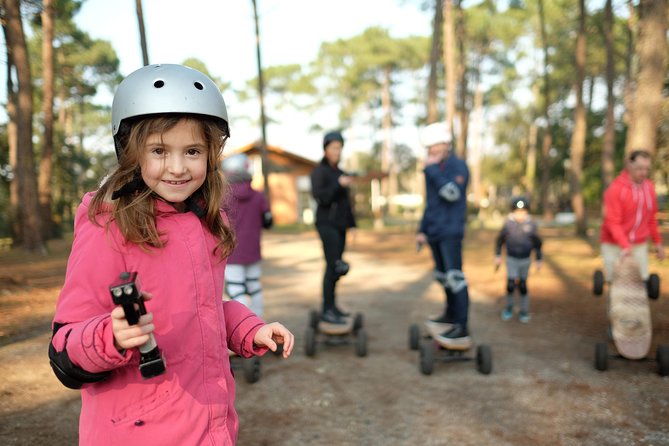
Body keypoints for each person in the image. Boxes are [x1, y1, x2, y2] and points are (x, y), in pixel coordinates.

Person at [47, 64, 294, 446]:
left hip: (209, 425)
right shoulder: (108, 224)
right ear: (131, 152)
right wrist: (111, 336)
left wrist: (249, 329)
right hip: (137, 432)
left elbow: (205, 307)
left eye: (192, 150)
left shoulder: (207, 221)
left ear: (212, 154)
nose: (178, 167)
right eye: (160, 150)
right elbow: (65, 346)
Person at [415, 122, 471, 347]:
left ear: (446, 144)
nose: (431, 152)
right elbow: (431, 204)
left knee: (455, 278)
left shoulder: (457, 166)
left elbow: (452, 193)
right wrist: (422, 230)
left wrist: (431, 171)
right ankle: (449, 315)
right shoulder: (434, 168)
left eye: (434, 147)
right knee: (442, 276)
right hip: (435, 231)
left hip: (451, 231)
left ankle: (462, 326)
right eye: (428, 148)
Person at [310, 130, 356, 325]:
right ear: (326, 149)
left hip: (340, 225)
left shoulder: (340, 172)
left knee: (336, 267)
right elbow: (322, 197)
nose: (337, 152)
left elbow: (346, 203)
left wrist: (352, 226)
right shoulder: (319, 172)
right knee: (333, 266)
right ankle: (327, 310)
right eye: (334, 148)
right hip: (326, 224)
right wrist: (338, 184)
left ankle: (333, 307)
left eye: (340, 148)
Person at [600, 149, 665, 286]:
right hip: (614, 244)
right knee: (616, 283)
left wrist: (658, 243)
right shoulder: (616, 189)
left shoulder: (649, 188)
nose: (644, 173)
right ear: (629, 165)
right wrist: (625, 245)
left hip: (639, 244)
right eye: (640, 168)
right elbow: (613, 222)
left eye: (647, 169)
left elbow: (651, 219)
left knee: (641, 283)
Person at [221, 153, 273, 316]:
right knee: (254, 287)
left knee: (236, 289)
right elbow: (268, 222)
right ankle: (259, 324)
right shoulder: (258, 196)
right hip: (253, 250)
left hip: (231, 251)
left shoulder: (222, 197)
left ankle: (245, 328)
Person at [494, 196, 543, 323]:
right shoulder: (508, 224)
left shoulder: (531, 225)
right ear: (513, 211)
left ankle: (523, 310)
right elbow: (500, 240)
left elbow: (537, 243)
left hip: (525, 259)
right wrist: (498, 255)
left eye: (523, 212)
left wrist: (538, 259)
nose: (520, 215)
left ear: (527, 212)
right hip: (511, 258)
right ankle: (509, 307)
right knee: (510, 284)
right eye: (517, 212)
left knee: (522, 285)